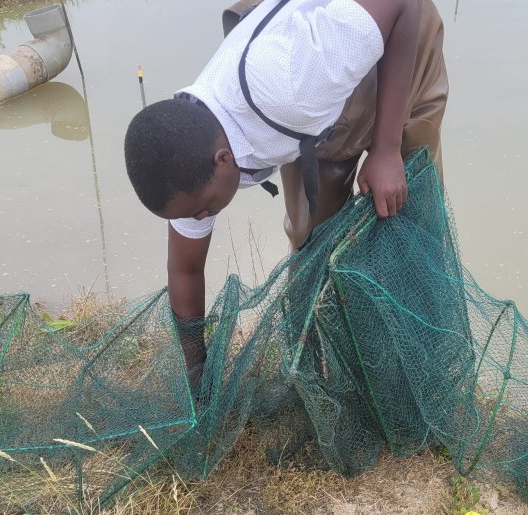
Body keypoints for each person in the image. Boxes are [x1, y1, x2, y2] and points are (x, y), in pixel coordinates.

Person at [124, 0, 447, 381]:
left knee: (407, 213)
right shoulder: (188, 165)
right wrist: (197, 377)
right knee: (310, 236)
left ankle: (421, 370)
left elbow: (400, 6)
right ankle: (310, 367)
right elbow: (185, 269)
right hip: (321, 78)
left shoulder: (292, 89)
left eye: (201, 210)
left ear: (224, 159)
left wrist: (388, 148)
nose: (199, 219)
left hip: (396, 32)